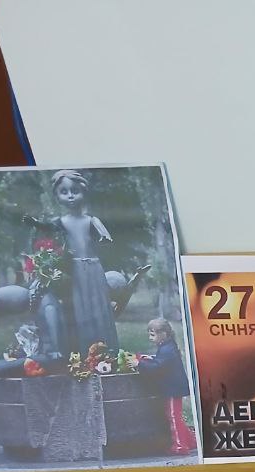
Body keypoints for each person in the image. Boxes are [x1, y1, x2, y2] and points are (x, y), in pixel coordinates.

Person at [22, 169, 119, 354]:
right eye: (64, 192)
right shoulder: (60, 221)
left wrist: (104, 239)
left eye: (75, 191)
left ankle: (107, 351)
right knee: (79, 308)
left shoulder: (91, 220)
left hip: (93, 267)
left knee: (98, 306)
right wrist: (34, 223)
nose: (70, 196)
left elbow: (105, 235)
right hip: (74, 270)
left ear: (83, 192)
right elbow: (46, 227)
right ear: (57, 196)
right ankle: (84, 352)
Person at [136, 317, 197, 455]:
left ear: (163, 334)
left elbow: (157, 367)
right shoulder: (167, 346)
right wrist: (151, 358)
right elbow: (161, 362)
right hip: (173, 388)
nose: (150, 338)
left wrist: (139, 364)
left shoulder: (167, 349)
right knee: (175, 415)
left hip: (173, 389)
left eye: (153, 335)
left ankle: (181, 446)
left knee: (174, 416)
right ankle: (191, 441)